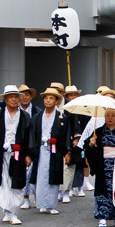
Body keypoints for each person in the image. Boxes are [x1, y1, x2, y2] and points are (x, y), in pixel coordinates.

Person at [0, 85, 35, 225]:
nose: (13, 99)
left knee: (16, 182)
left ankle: (14, 213)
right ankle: (7, 211)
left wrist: (29, 155)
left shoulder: (25, 116)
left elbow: (30, 136)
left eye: (15, 96)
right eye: (10, 96)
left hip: (18, 154)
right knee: (4, 182)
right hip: (2, 154)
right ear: (4, 99)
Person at [30, 86, 70, 215]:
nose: (48, 101)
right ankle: (41, 203)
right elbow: (32, 135)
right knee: (41, 177)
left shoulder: (62, 117)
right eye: (46, 98)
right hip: (40, 149)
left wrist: (67, 151)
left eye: (51, 98)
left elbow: (66, 136)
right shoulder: (36, 117)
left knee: (53, 176)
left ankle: (51, 205)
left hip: (55, 150)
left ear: (57, 101)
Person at [85, 108, 115, 227]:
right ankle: (102, 217)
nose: (110, 117)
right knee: (103, 191)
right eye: (107, 115)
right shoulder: (98, 131)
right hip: (103, 165)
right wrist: (91, 144)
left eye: (113, 115)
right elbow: (87, 147)